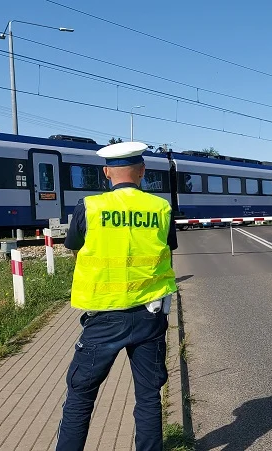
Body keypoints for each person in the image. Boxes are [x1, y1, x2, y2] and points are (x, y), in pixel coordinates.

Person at [55, 141, 178, 451]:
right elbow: (167, 250)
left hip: (104, 318)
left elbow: (74, 247)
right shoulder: (161, 208)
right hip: (150, 316)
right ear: (143, 172)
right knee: (148, 397)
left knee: (81, 396)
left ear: (107, 172)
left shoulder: (90, 206)